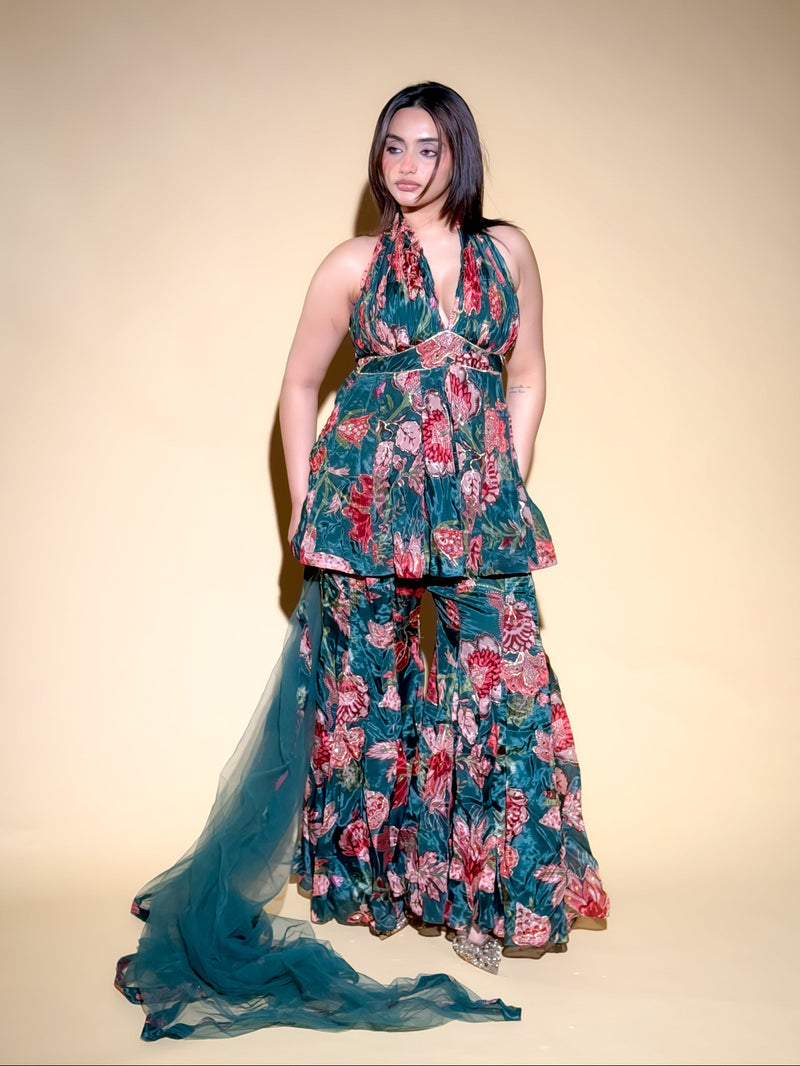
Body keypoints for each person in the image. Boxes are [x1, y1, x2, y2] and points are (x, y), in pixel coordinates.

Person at [115, 80, 609, 1043]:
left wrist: (502, 474)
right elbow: (300, 386)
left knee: (502, 687)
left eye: (428, 148)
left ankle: (489, 897)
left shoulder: (508, 252)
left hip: (474, 509)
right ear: (376, 159)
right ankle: (370, 880)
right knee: (362, 692)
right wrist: (309, 502)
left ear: (459, 154)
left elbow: (531, 370)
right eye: (392, 147)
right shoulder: (351, 265)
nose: (408, 166)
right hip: (364, 508)